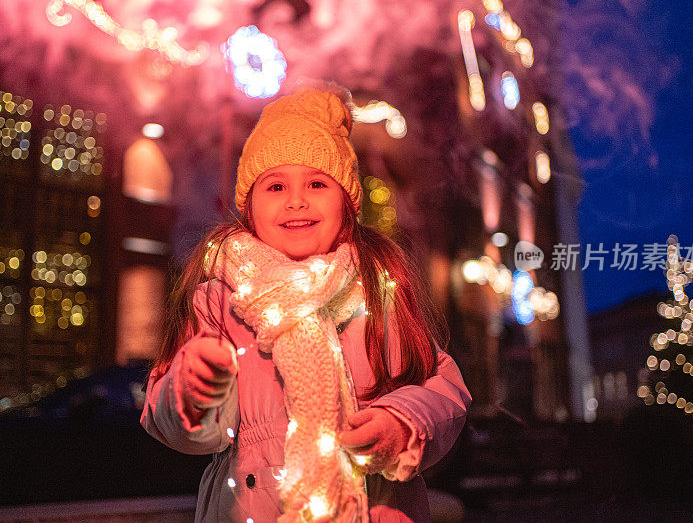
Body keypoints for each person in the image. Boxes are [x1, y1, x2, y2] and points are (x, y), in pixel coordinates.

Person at [140, 86, 471, 522]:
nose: (296, 200)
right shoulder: (221, 300)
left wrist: (402, 422)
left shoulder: (375, 289)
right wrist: (191, 392)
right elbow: (179, 424)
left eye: (316, 183)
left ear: (347, 202)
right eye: (276, 185)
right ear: (250, 208)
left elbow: (442, 386)